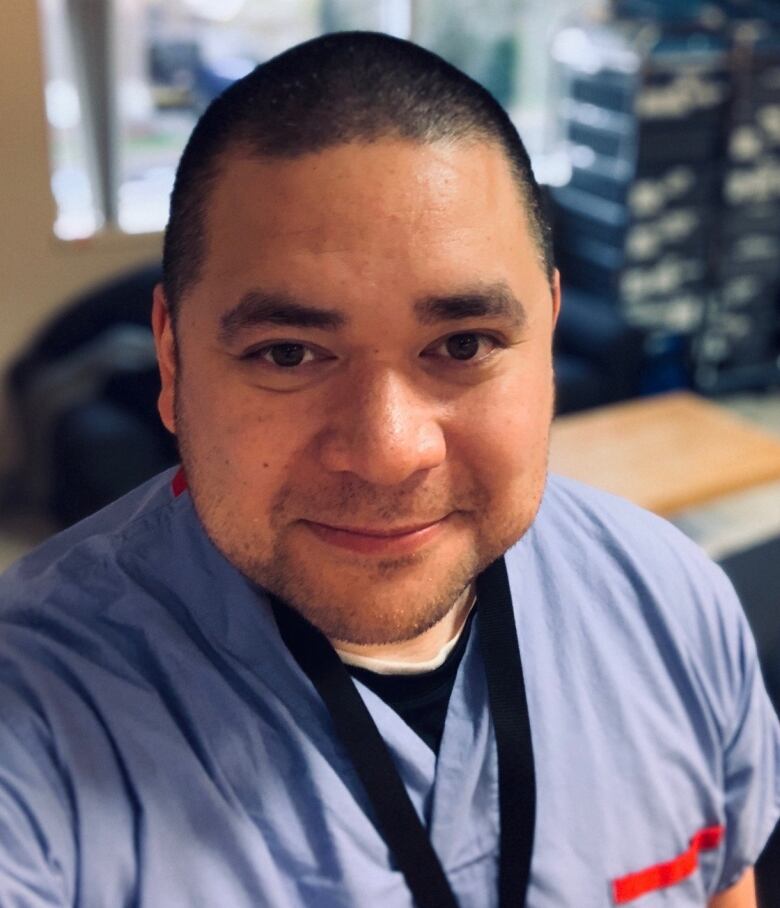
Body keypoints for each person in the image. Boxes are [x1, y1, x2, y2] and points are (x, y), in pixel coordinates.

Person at [0, 31, 777, 908]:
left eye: (464, 344)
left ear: (548, 340)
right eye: (288, 353)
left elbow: (724, 885)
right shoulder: (35, 713)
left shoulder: (673, 602)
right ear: (174, 363)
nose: (387, 451)